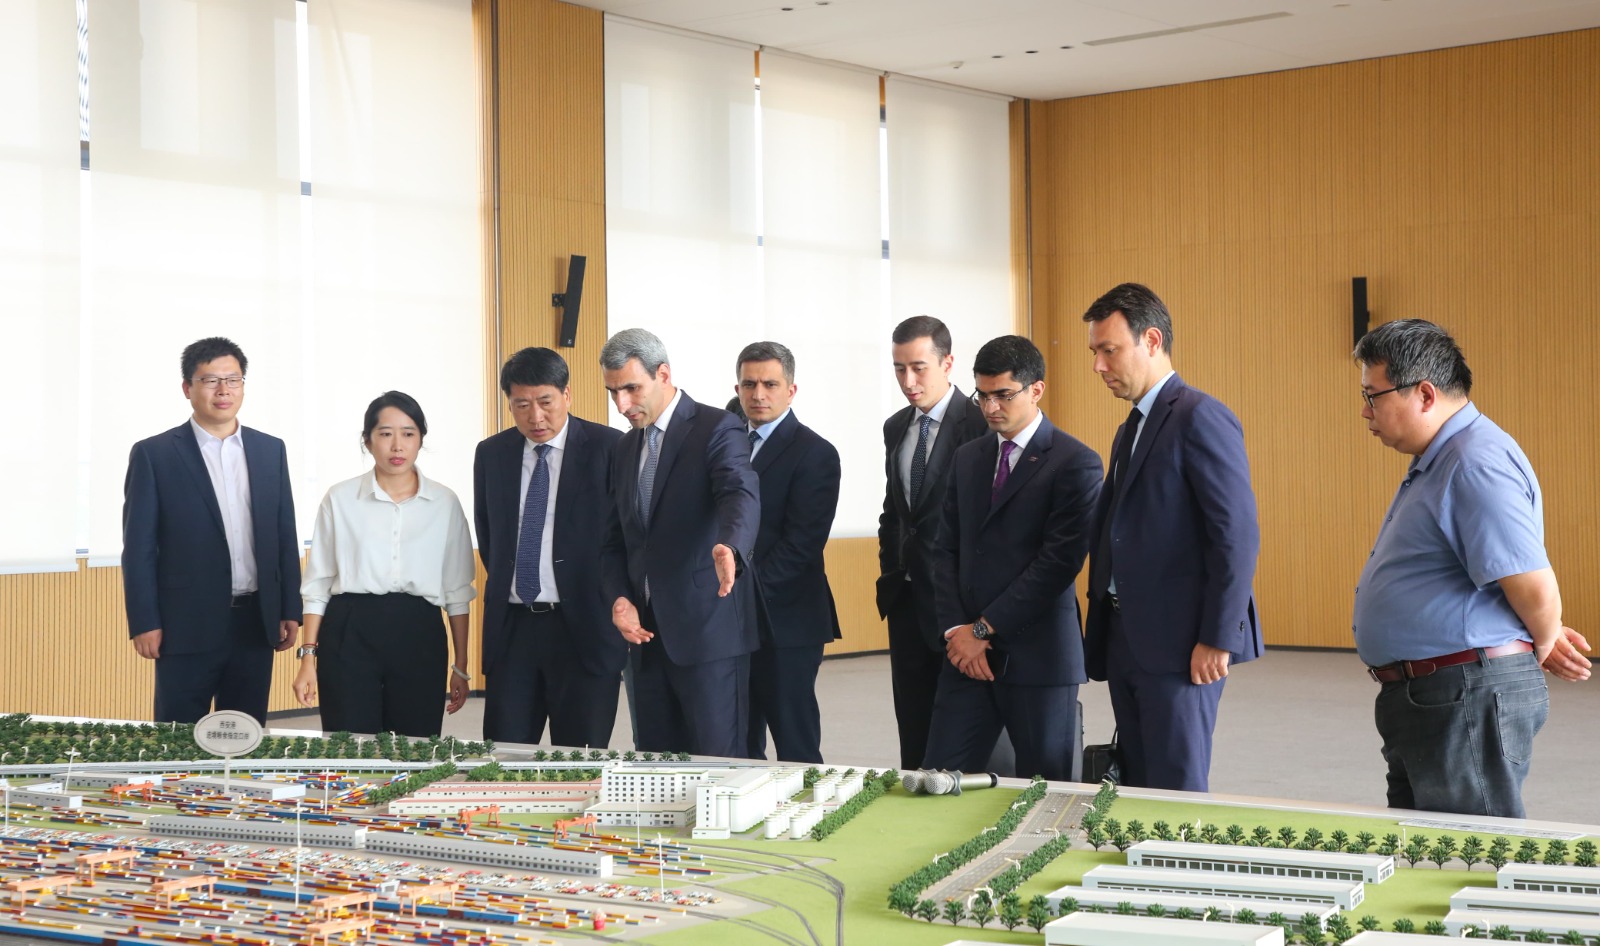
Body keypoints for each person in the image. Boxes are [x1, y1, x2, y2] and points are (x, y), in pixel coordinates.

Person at [1352, 318, 1591, 818]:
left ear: (1424, 393)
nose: (1365, 411)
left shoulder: (1474, 462)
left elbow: (1532, 583)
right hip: (1438, 692)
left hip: (1463, 693)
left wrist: (1541, 638)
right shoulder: (1444, 458)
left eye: (1373, 396)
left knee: (1471, 850)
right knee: (1428, 847)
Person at [1081, 282, 1263, 792]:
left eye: (1109, 350)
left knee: (1175, 786)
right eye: (1094, 352)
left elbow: (1235, 535)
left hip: (1183, 644)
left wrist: (1217, 637)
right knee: (1138, 782)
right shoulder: (1129, 429)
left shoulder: (1200, 415)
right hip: (1126, 637)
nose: (1098, 365)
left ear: (1152, 341)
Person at [925, 336, 1102, 781]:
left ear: (1036, 389)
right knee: (938, 779)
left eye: (1003, 395)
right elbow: (944, 549)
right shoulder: (968, 458)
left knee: (1047, 790)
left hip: (1038, 656)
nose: (990, 408)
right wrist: (957, 631)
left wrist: (983, 629)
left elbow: (1057, 565)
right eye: (982, 395)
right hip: (965, 655)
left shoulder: (1076, 462)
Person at [122, 337, 302, 725]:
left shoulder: (270, 450)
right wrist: (145, 621)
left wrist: (290, 608)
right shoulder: (155, 454)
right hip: (185, 623)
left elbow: (284, 535)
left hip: (255, 621)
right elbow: (138, 549)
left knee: (244, 734)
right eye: (210, 380)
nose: (223, 390)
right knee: (177, 736)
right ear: (187, 388)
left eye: (233, 380)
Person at [600, 328, 761, 757]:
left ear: (664, 374)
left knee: (717, 763)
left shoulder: (716, 427)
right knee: (656, 762)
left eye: (631, 389)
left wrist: (731, 544)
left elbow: (739, 493)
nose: (622, 405)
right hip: (645, 640)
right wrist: (619, 597)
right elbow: (615, 539)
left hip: (707, 632)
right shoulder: (624, 447)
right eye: (613, 392)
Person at [292, 392, 476, 738]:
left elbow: (457, 591)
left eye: (408, 434)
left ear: (421, 439)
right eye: (385, 434)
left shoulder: (445, 502)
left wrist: (461, 666)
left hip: (419, 631)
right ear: (368, 440)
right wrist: (307, 658)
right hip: (349, 629)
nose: (397, 446)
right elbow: (317, 585)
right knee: (348, 744)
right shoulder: (340, 498)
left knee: (416, 745)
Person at [474, 347, 625, 748]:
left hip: (584, 626)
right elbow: (489, 536)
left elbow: (623, 538)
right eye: (521, 405)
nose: (535, 417)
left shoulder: (610, 447)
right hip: (513, 628)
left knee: (580, 756)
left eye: (545, 402)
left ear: (567, 395)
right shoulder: (491, 454)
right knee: (502, 753)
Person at [876, 315, 990, 770]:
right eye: (899, 368)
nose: (908, 381)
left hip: (958, 607)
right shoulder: (895, 426)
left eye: (919, 368)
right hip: (905, 600)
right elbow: (894, 512)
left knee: (963, 737)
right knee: (913, 731)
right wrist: (892, 568)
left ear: (947, 363)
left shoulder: (980, 423)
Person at [735, 341, 841, 763]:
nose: (758, 394)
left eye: (770, 384)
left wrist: (737, 590)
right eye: (749, 384)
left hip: (787, 620)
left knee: (795, 742)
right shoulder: (725, 443)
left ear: (791, 390)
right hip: (731, 621)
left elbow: (802, 545)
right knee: (738, 742)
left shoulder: (815, 453)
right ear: (738, 388)